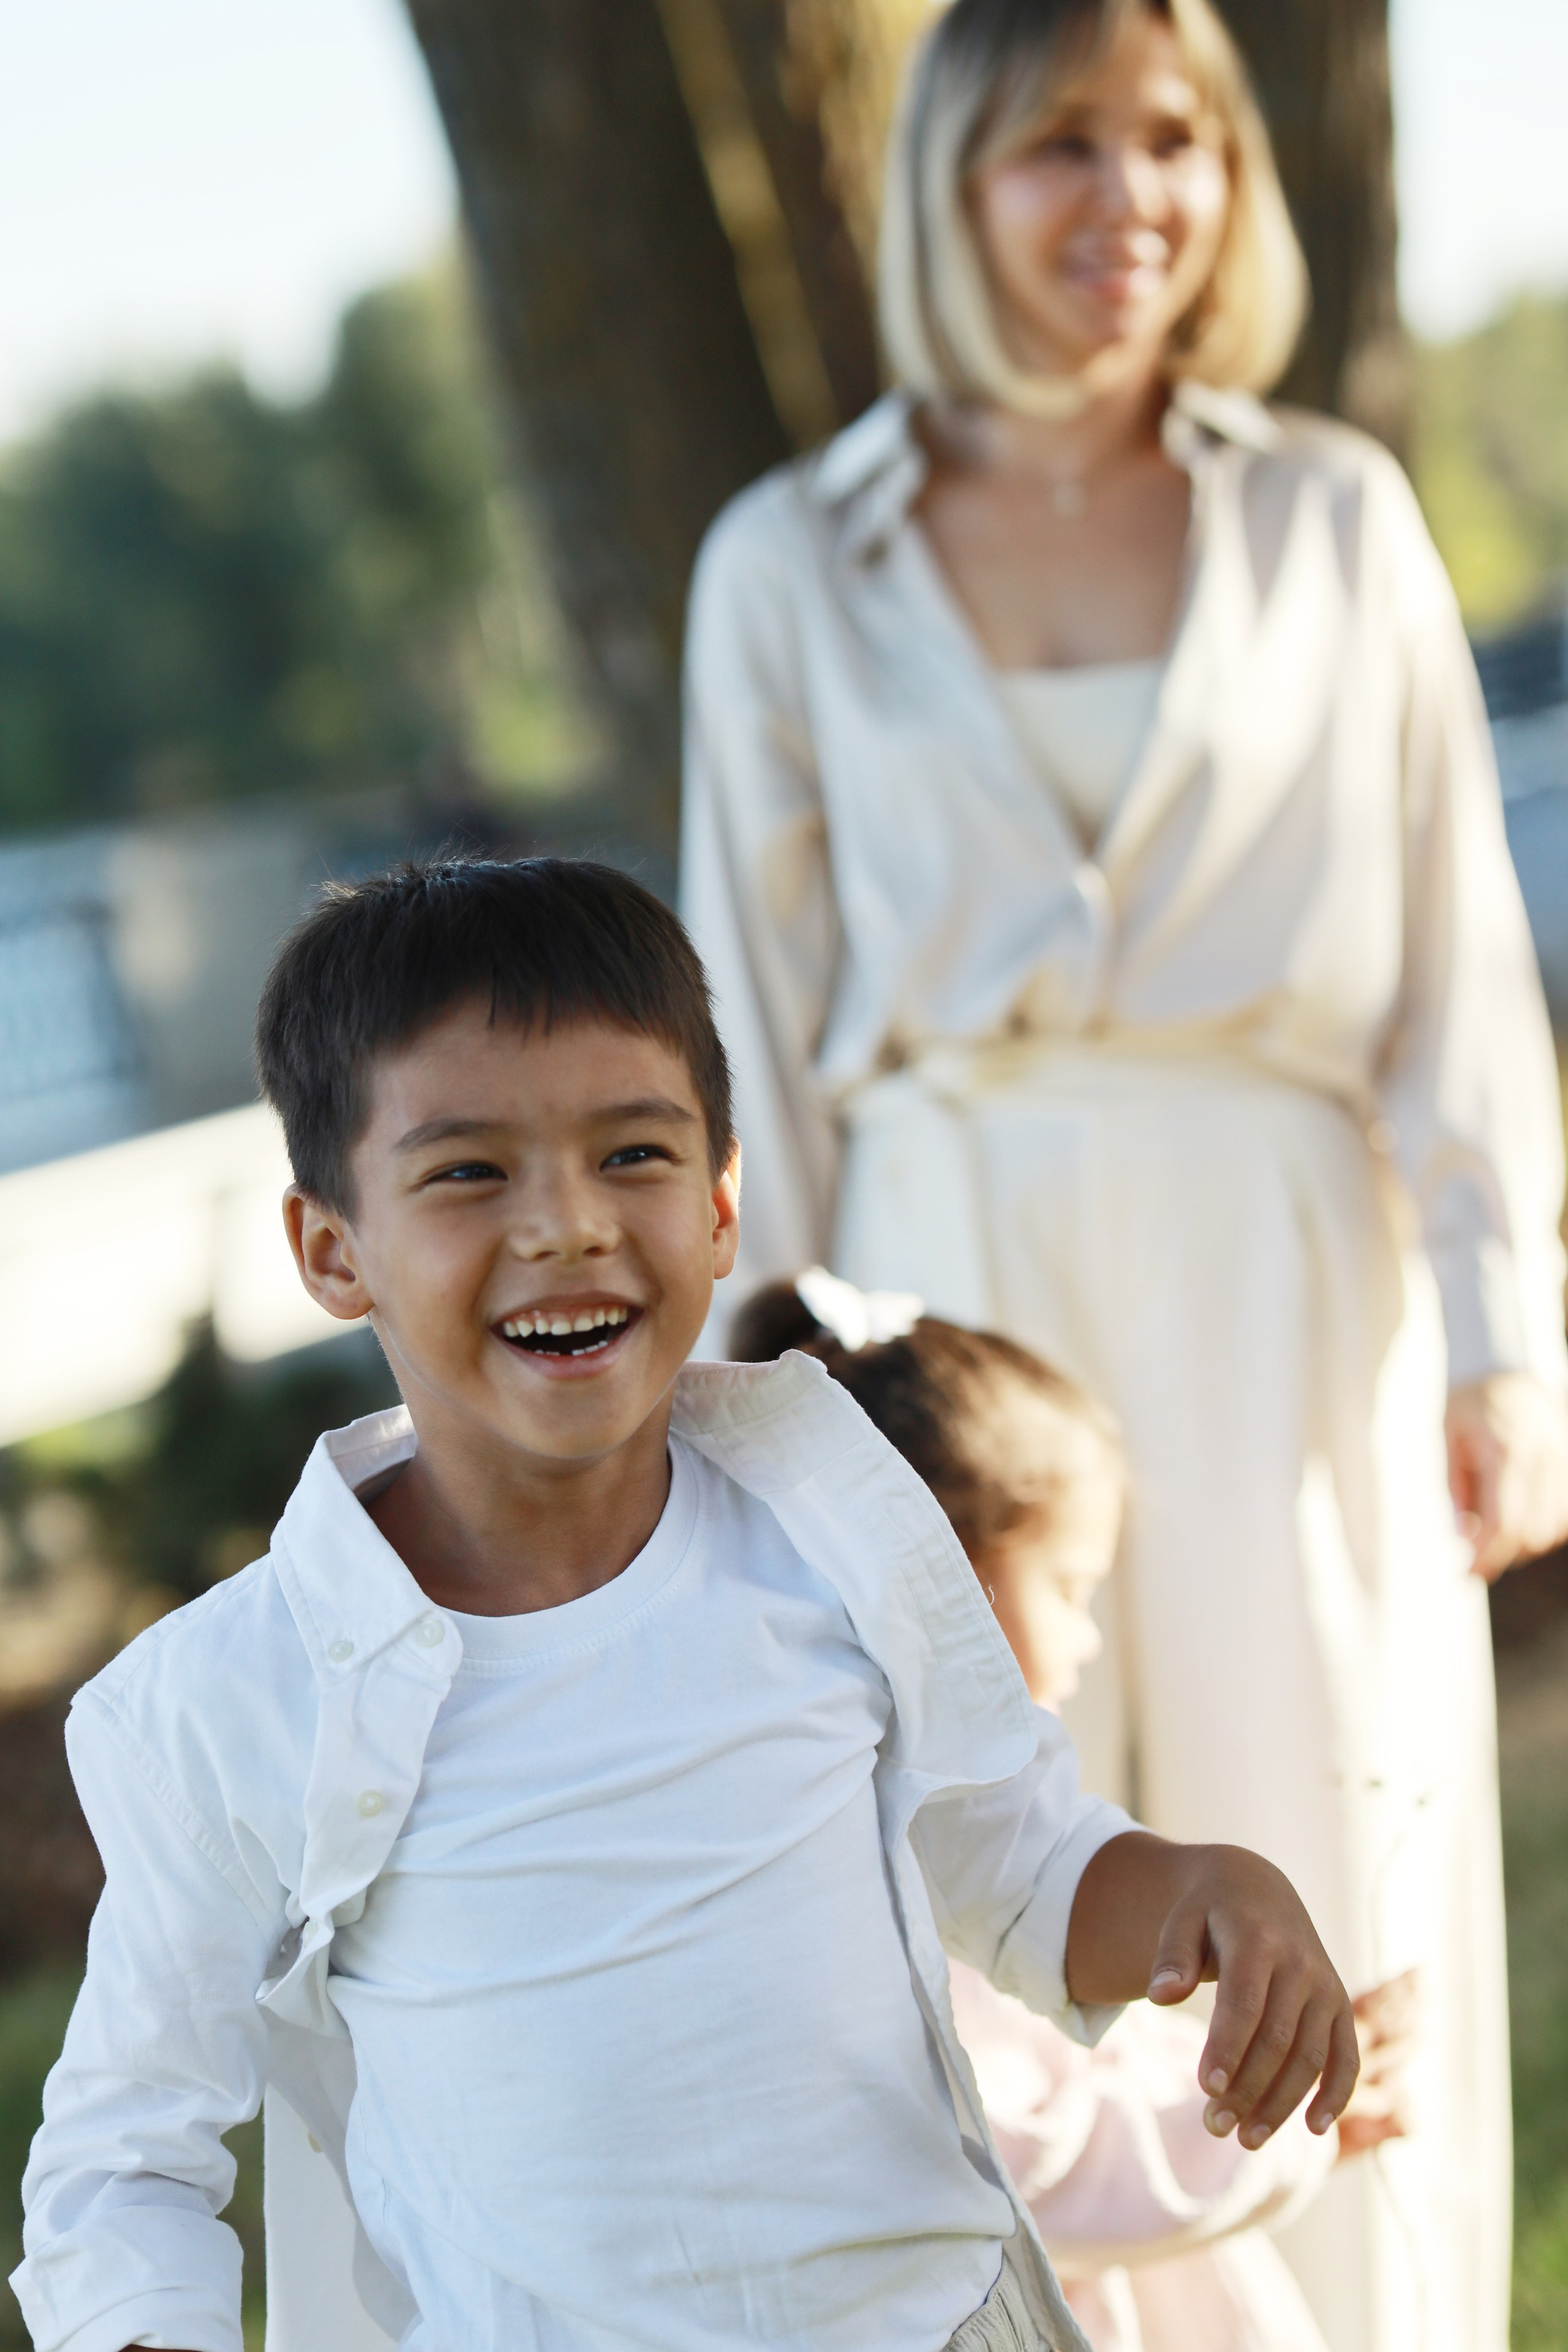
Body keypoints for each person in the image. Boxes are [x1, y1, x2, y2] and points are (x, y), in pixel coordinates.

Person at [677, 4, 1568, 2345]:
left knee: (1327, 1833)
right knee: (1013, 1895)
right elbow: (748, 1050)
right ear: (950, 188)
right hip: (944, 1303)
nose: (1132, 195)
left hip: (1298, 1292)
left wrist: (1509, 1337)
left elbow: (1457, 968)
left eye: (1178, 136)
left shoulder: (1335, 516)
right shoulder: (788, 561)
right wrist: (728, 1433)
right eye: (1062, 144)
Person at [12, 856, 1358, 2352]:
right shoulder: (236, 1700)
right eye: (468, 1172)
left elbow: (1023, 1864)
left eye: (632, 1156)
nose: (567, 1225)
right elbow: (125, 2165)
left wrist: (1206, 1895)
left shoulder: (824, 1514)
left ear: (721, 1206)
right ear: (333, 1248)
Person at [734, 1268, 1414, 2352]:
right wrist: (1279, 2141)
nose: (1089, 1640)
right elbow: (1037, 2159)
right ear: (952, 1587)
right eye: (1069, 1590)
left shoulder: (988, 1836)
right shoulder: (902, 1868)